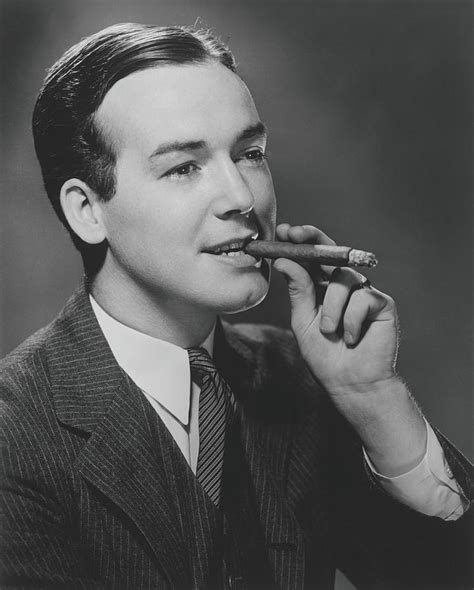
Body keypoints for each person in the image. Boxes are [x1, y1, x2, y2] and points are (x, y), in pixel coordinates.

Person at [0, 22, 471, 590]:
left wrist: (371, 398)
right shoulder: (14, 429)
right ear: (87, 210)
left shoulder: (297, 375)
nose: (243, 198)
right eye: (183, 167)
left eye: (250, 153)